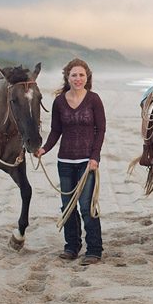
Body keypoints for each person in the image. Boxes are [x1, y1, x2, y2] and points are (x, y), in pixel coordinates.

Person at [35, 58, 105, 265]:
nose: (78, 78)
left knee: (86, 206)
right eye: (74, 75)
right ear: (67, 77)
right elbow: (56, 130)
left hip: (86, 162)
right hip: (64, 160)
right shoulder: (59, 101)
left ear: (87, 77)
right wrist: (44, 149)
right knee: (67, 206)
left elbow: (100, 130)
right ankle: (71, 246)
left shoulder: (94, 100)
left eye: (81, 75)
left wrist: (95, 157)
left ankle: (94, 249)